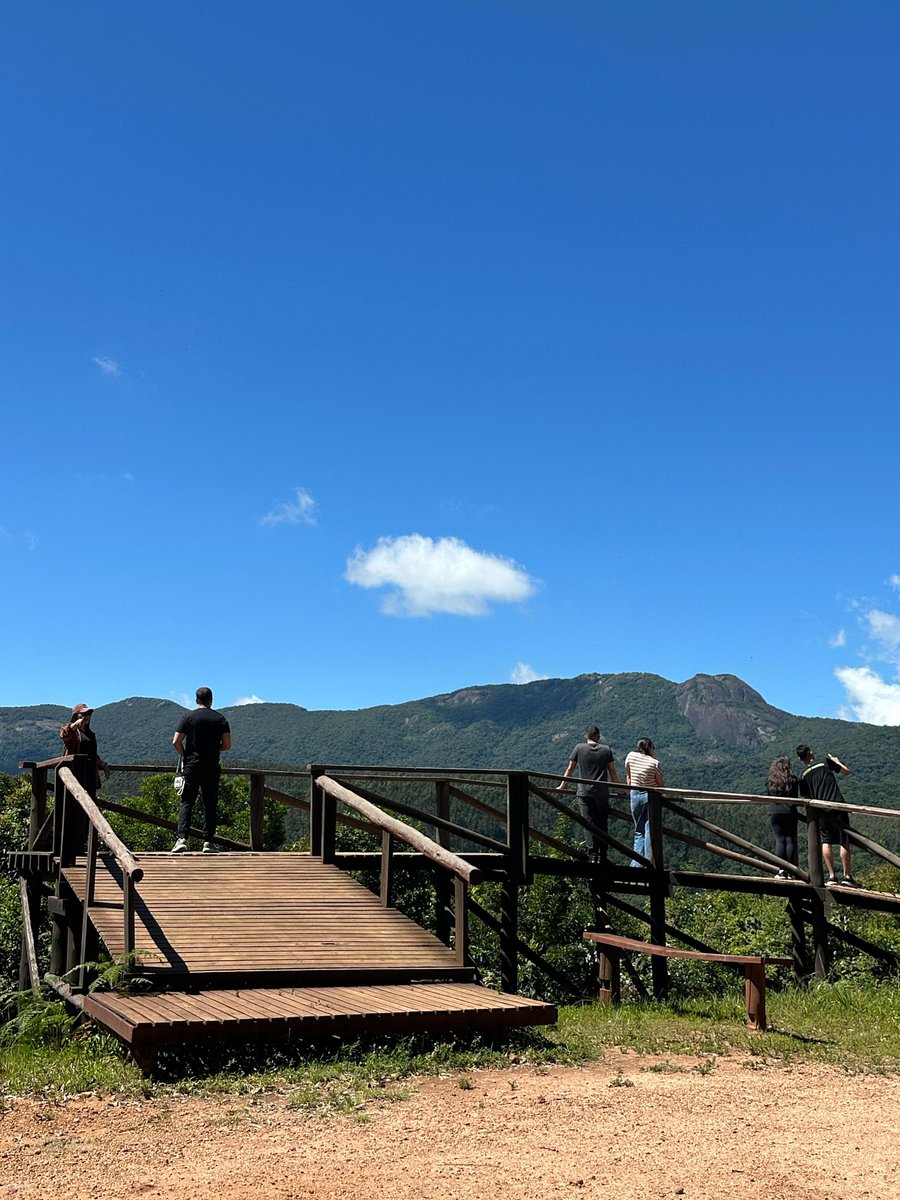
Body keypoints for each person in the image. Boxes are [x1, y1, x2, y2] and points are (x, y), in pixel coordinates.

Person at [171, 687, 231, 854]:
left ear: (197, 700)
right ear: (211, 700)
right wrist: (213, 748)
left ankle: (182, 839)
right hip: (211, 767)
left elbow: (176, 741)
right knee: (210, 804)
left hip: (192, 766)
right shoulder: (220, 719)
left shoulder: (188, 717)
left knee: (186, 802)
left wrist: (186, 755)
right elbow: (227, 745)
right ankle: (208, 842)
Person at [796, 744, 860, 887]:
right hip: (837, 805)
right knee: (844, 840)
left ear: (800, 759)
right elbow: (846, 771)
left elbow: (806, 798)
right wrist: (837, 761)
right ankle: (847, 876)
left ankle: (831, 876)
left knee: (826, 841)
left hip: (821, 810)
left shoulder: (803, 775)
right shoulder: (824, 762)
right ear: (810, 753)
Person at [557, 725, 619, 862]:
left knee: (588, 823)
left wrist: (562, 785)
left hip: (584, 793)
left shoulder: (579, 748)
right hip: (602, 793)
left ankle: (592, 855)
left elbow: (570, 768)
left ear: (587, 736)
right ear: (598, 736)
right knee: (602, 823)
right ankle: (603, 855)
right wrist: (620, 789)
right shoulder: (606, 750)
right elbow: (612, 772)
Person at [624, 737, 664, 866]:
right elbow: (660, 784)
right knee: (648, 830)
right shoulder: (654, 763)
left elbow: (629, 776)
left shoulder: (630, 756)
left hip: (634, 794)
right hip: (650, 797)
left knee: (639, 830)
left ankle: (636, 864)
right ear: (650, 748)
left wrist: (629, 788)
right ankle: (648, 863)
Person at [59, 703, 110, 798]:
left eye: (89, 714)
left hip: (90, 774)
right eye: (83, 714)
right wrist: (74, 725)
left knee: (89, 803)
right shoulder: (73, 733)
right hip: (76, 772)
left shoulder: (90, 734)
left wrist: (103, 764)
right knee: (74, 803)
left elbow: (92, 754)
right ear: (76, 716)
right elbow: (64, 735)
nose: (86, 716)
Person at [765, 755, 800, 879]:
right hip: (790, 811)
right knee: (790, 840)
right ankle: (791, 871)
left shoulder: (771, 780)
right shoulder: (793, 780)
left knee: (779, 840)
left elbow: (768, 795)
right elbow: (796, 798)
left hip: (774, 811)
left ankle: (781, 871)